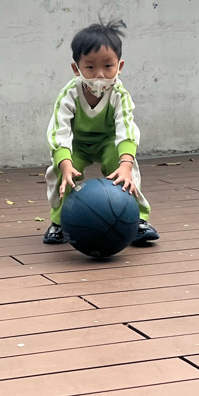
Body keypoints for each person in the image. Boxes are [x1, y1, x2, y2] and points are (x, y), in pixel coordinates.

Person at [43, 19, 159, 246]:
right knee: (61, 174)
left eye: (108, 66)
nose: (100, 74)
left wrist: (125, 164)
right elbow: (59, 131)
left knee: (126, 173)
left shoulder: (119, 94)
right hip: (77, 145)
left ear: (120, 66)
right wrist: (65, 163)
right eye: (90, 67)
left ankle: (138, 220)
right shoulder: (69, 94)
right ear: (76, 69)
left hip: (109, 143)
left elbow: (126, 129)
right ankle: (59, 222)